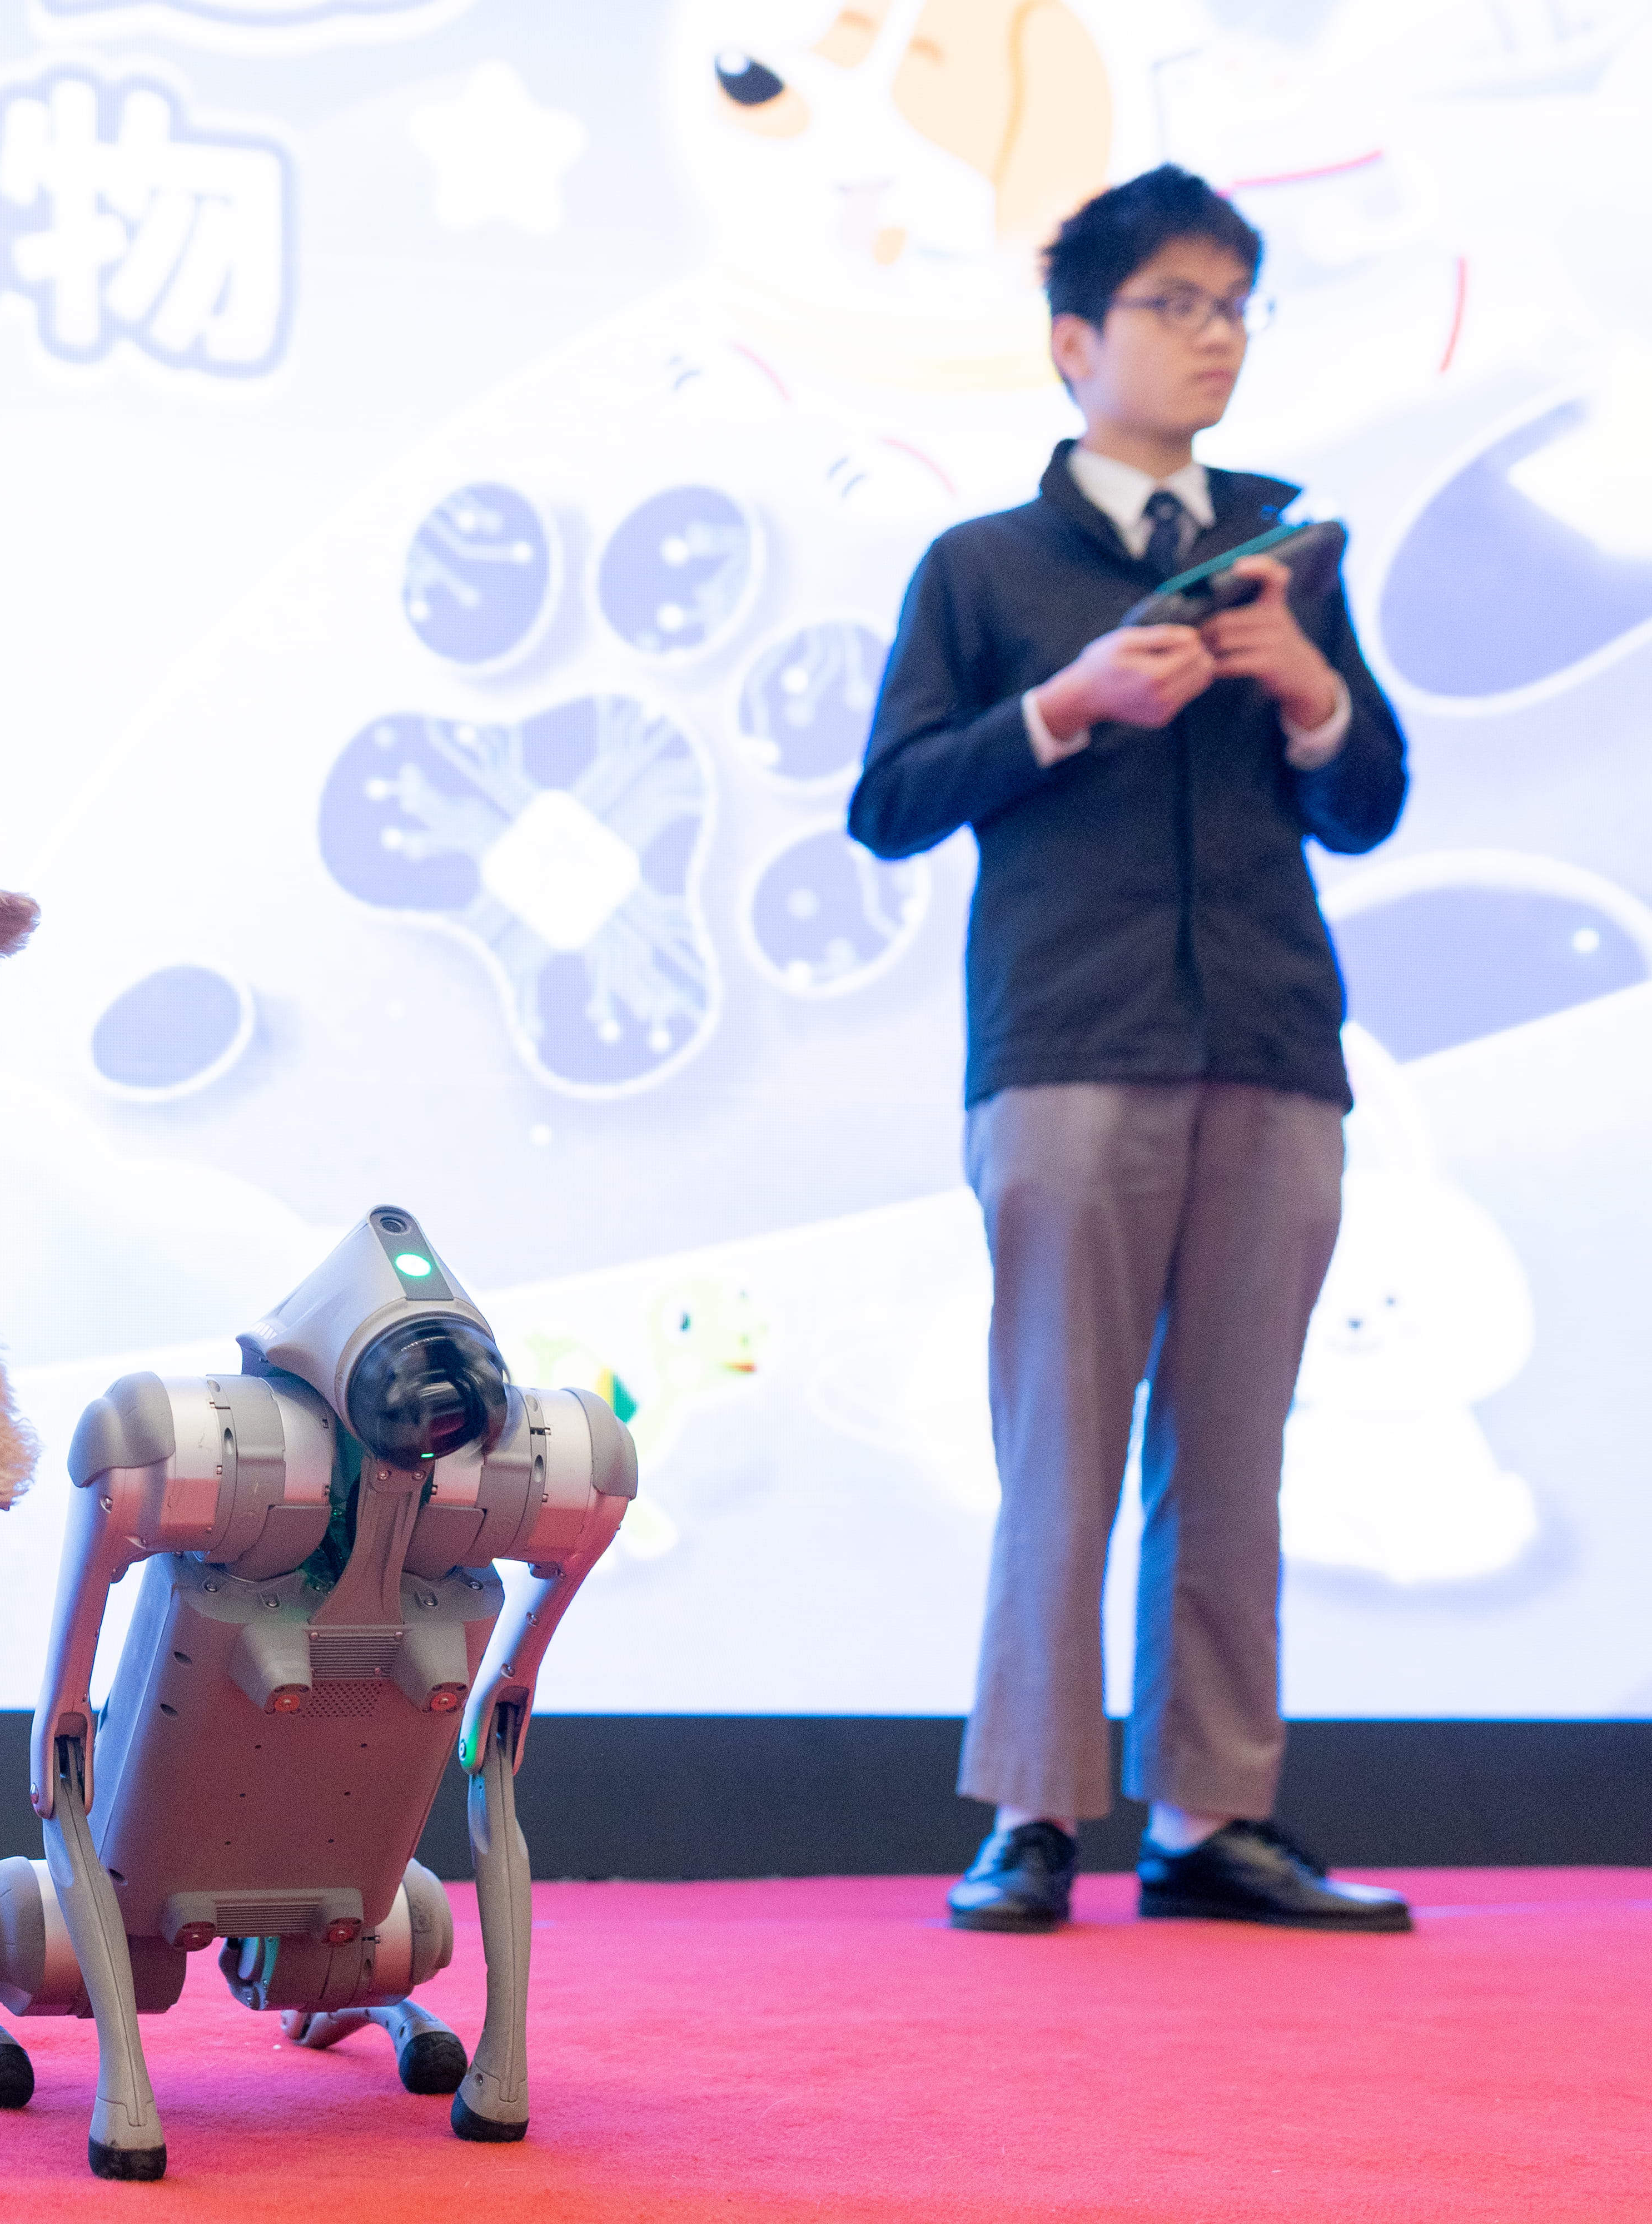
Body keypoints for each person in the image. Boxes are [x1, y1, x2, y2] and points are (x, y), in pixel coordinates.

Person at [848, 168, 1415, 1936]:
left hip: (1272, 1038)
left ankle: (1212, 1818)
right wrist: (1065, 703)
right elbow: (889, 802)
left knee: (1236, 1448)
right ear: (1075, 342)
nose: (1216, 335)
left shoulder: (1291, 554)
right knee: (1063, 1443)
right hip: (1068, 1041)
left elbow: (1370, 801)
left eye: (1235, 303)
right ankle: (1032, 1812)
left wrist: (1310, 689)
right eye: (1177, 303)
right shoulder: (985, 566)